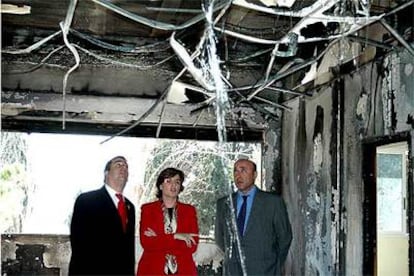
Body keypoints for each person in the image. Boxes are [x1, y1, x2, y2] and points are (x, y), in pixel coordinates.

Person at [215, 158, 292, 275]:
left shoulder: (273, 203)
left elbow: (285, 238)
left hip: (265, 270)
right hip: (233, 270)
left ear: (254, 175)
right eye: (235, 171)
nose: (238, 175)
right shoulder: (224, 203)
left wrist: (272, 263)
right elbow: (220, 238)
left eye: (243, 170)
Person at [68, 156, 136, 275]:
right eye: (118, 165)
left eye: (126, 167)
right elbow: (79, 243)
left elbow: (128, 249)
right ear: (106, 173)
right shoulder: (87, 200)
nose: (123, 168)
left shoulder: (130, 207)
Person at [137, 167, 199, 276]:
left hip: (184, 271)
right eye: (168, 181)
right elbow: (147, 243)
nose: (173, 185)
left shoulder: (189, 211)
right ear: (160, 186)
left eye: (177, 182)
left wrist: (159, 238)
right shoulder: (147, 209)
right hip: (152, 270)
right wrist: (176, 236)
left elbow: (192, 246)